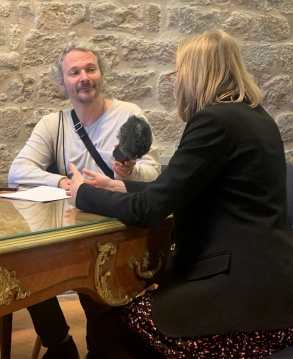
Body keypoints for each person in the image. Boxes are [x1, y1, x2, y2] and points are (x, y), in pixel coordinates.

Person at [69, 30, 293, 358]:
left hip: (240, 304)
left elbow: (149, 210)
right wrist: (121, 185)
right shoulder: (255, 117)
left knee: (109, 329)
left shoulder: (214, 121)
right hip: (273, 292)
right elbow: (188, 188)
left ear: (195, 74)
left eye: (178, 73)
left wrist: (82, 193)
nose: (177, 82)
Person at [8, 41, 161, 359]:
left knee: (98, 278)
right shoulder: (54, 124)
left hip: (119, 228)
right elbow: (17, 171)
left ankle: (104, 345)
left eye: (90, 69)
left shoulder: (130, 115)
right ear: (62, 83)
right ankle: (59, 342)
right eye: (74, 72)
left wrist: (128, 174)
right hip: (72, 231)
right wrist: (65, 182)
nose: (84, 77)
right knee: (26, 266)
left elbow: (155, 174)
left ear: (101, 75)